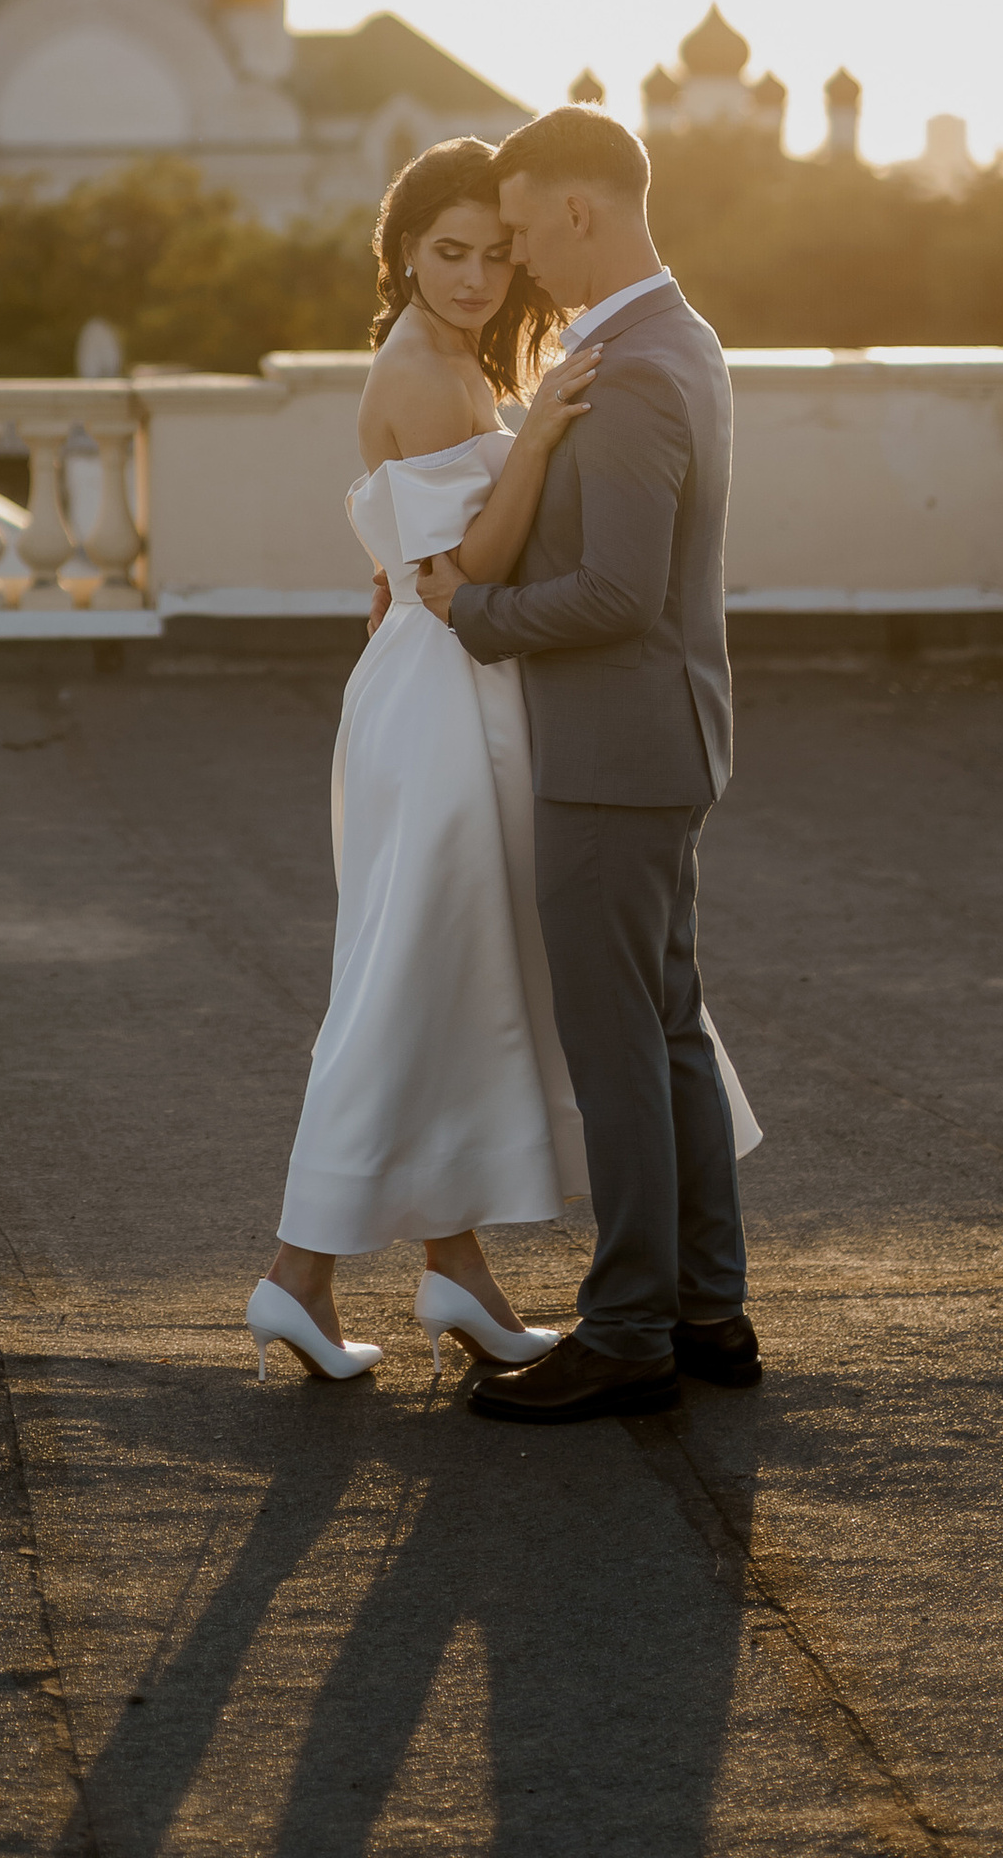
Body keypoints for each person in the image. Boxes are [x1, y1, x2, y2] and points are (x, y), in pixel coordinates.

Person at [246, 138, 760, 1387]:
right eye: (455, 252)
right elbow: (468, 574)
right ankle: (301, 1272)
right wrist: (527, 453)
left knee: (457, 979)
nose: (487, 273)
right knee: (413, 978)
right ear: (402, 253)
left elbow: (477, 573)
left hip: (485, 691)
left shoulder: (527, 364)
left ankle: (455, 1271)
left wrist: (472, 527)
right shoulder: (448, 371)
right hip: (444, 706)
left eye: (501, 247)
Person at [417, 102, 762, 1422]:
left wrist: (472, 612)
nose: (518, 268)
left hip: (614, 753)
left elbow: (617, 591)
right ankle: (704, 1309)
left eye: (520, 235)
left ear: (578, 212)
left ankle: (627, 1334)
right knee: (666, 1029)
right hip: (658, 740)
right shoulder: (680, 340)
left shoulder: (628, 371)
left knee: (619, 1041)